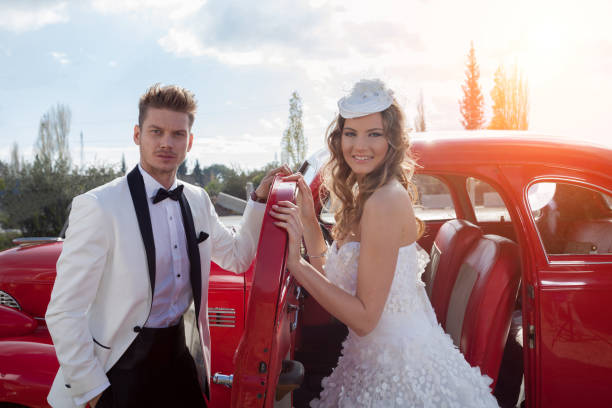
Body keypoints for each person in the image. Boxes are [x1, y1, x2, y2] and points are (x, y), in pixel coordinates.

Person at [45, 83, 291, 408]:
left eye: (177, 134)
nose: (166, 142)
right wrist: (92, 392)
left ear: (189, 142)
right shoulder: (98, 206)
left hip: (179, 357)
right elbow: (64, 310)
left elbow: (237, 257)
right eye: (156, 131)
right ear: (137, 134)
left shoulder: (198, 199)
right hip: (119, 367)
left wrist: (258, 201)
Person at [271, 79, 499, 407]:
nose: (359, 145)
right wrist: (308, 222)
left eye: (373, 134)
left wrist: (296, 263)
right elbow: (337, 281)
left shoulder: (384, 200)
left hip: (401, 371)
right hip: (369, 360)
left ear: (391, 140)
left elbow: (363, 319)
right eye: (351, 133)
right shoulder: (363, 193)